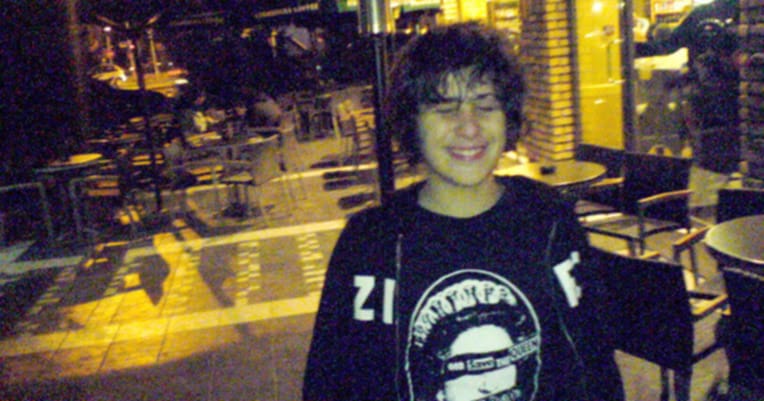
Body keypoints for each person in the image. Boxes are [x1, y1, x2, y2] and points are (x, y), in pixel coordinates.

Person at [303, 23, 624, 401]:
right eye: (445, 107)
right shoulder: (370, 243)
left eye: (485, 105)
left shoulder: (550, 221)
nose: (469, 127)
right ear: (412, 121)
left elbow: (596, 365)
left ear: (507, 116)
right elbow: (329, 383)